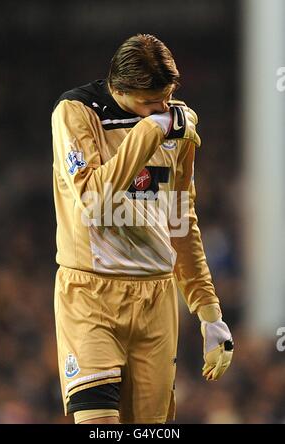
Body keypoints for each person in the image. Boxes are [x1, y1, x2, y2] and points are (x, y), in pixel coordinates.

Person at [51, 34, 234, 425]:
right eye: (151, 103)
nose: (163, 109)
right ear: (119, 88)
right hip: (90, 294)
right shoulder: (77, 113)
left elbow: (181, 219)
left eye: (167, 99)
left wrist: (208, 311)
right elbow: (94, 200)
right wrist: (154, 128)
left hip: (157, 300)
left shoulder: (176, 123)